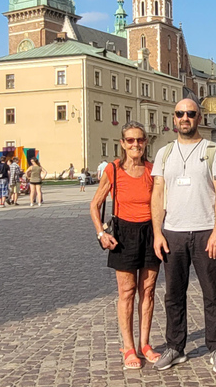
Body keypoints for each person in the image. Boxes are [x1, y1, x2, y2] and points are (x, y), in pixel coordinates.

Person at [151, 98, 216, 374]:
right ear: (174, 118)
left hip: (205, 231)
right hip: (172, 233)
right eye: (180, 113)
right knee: (173, 295)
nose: (185, 117)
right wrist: (157, 233)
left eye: (190, 113)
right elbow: (158, 194)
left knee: (213, 293)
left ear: (199, 118)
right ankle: (175, 347)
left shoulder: (213, 151)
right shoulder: (163, 153)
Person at [90, 121, 162, 369]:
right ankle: (129, 347)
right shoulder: (113, 170)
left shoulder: (153, 170)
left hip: (150, 232)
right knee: (127, 292)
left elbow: (161, 204)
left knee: (149, 291)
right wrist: (101, 233)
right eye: (130, 140)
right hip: (123, 234)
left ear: (145, 143)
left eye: (140, 140)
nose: (135, 144)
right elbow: (94, 204)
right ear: (122, 144)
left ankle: (145, 344)